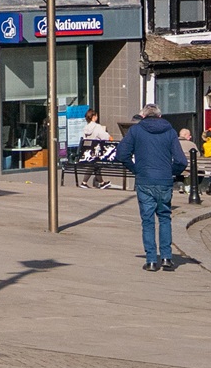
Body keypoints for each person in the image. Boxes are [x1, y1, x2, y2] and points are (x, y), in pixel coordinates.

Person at [113, 100, 190, 272]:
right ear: (160, 116)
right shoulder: (170, 131)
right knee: (164, 218)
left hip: (145, 179)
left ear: (143, 116)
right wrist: (171, 173)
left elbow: (121, 154)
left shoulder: (136, 130)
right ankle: (166, 258)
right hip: (164, 181)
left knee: (147, 221)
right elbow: (181, 161)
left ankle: (151, 260)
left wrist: (135, 169)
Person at [80, 108, 113, 187]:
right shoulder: (97, 127)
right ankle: (84, 182)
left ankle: (101, 183)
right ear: (94, 117)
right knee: (93, 165)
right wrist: (110, 137)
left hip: (88, 150)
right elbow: (105, 136)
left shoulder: (86, 128)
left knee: (95, 165)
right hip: (96, 149)